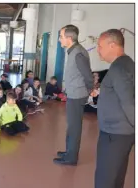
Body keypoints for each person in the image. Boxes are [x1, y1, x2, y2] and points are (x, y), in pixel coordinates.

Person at [94, 29, 135, 188]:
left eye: (100, 46)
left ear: (112, 45)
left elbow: (128, 102)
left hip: (115, 134)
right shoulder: (127, 63)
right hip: (121, 132)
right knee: (116, 176)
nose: (98, 50)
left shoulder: (119, 68)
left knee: (105, 179)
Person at [53, 25, 93, 165]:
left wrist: (90, 90)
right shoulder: (73, 51)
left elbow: (88, 75)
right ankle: (69, 151)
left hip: (77, 96)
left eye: (61, 37)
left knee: (74, 127)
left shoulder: (78, 53)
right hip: (74, 93)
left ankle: (71, 158)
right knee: (71, 126)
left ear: (69, 38)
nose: (59, 40)